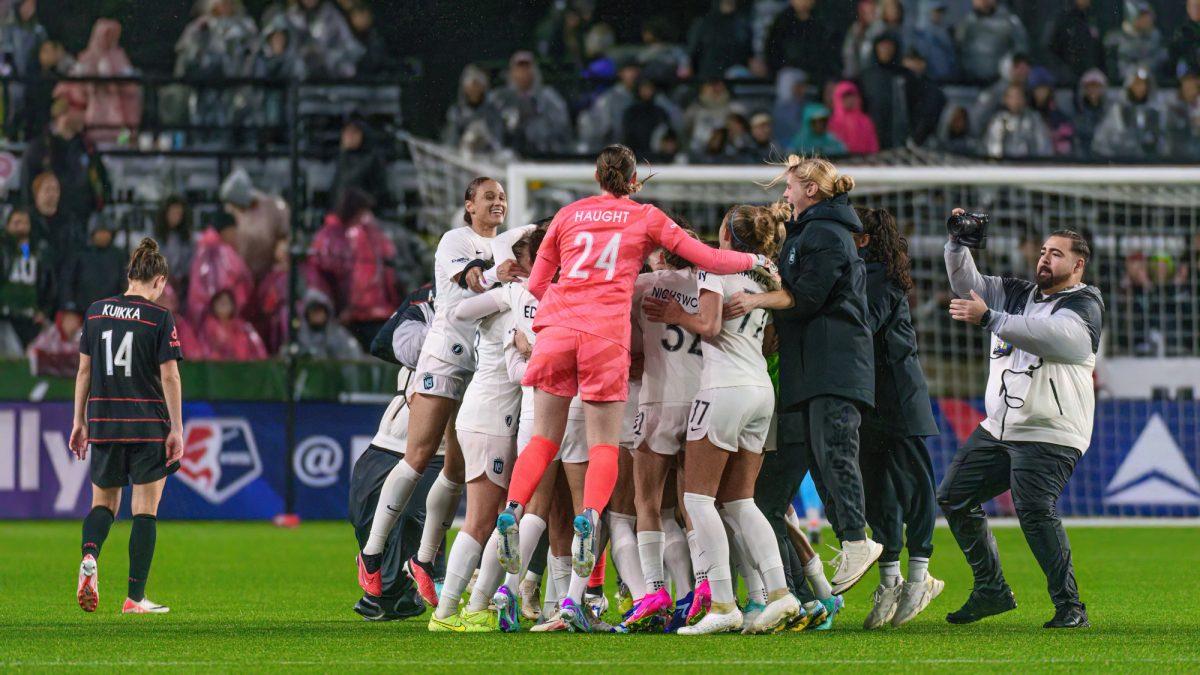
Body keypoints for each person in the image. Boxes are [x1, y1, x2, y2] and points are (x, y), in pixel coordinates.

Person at [492, 145, 766, 633]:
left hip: (556, 330)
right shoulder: (645, 216)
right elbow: (704, 256)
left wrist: (566, 300)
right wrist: (755, 256)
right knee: (602, 446)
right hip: (605, 336)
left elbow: (535, 284)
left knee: (543, 441)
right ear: (633, 179)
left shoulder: (569, 214)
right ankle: (590, 517)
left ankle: (512, 509)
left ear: (598, 175)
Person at [644, 204, 802, 635]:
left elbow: (710, 326)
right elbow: (781, 312)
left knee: (697, 500)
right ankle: (781, 594)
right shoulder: (766, 271)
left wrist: (676, 315)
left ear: (727, 234)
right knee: (740, 501)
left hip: (723, 389)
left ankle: (724, 605)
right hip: (759, 391)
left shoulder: (714, 267)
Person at [356, 177, 517, 601]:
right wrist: (499, 274)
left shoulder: (507, 247)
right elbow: (473, 280)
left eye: (501, 197)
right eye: (489, 197)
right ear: (469, 205)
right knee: (419, 456)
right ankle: (372, 554)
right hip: (445, 355)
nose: (497, 202)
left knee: (458, 469)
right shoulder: (454, 240)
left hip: (482, 367)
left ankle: (425, 560)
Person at [941, 213, 1102, 629]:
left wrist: (991, 319)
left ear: (1078, 265)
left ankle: (1071, 607)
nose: (1045, 259)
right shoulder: (1015, 293)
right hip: (1000, 426)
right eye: (1044, 251)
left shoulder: (1084, 303)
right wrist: (958, 246)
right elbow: (967, 287)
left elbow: (1060, 339)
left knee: (1033, 507)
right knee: (954, 496)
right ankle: (991, 588)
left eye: (1056, 254)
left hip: (1050, 427)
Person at [748, 156, 883, 599]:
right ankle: (798, 597)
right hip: (808, 370)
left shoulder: (825, 234)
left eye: (790, 187)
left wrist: (757, 302)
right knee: (770, 494)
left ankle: (856, 541)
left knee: (836, 452)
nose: (785, 194)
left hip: (833, 367)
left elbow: (807, 296)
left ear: (812, 189)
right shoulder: (813, 233)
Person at [425, 224, 535, 632]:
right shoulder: (517, 297)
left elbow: (457, 311)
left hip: (482, 415)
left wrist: (500, 297)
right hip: (490, 418)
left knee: (490, 519)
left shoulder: (509, 297)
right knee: (481, 521)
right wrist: (515, 331)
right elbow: (455, 313)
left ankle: (472, 606)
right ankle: (448, 611)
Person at [71, 238, 184, 614]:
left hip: (104, 422)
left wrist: (78, 420)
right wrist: (177, 428)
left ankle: (90, 557)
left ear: (130, 274)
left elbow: (84, 370)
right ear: (160, 280)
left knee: (103, 505)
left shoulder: (96, 311)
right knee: (144, 511)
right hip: (146, 425)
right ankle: (134, 598)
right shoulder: (159, 317)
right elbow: (169, 377)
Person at [851, 208, 942, 630]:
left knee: (914, 483)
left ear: (865, 240)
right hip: (868, 396)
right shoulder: (862, 274)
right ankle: (890, 579)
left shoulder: (882, 277)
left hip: (899, 395)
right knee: (876, 490)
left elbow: (863, 325)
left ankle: (920, 575)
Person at [349, 284, 445, 621]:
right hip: (405, 417)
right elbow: (383, 343)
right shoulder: (429, 296)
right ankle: (391, 590)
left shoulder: (511, 295)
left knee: (419, 514)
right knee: (363, 504)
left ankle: (425, 582)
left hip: (464, 419)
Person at [22, 98, 108, 227]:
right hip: (48, 226)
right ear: (64, 114)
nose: (84, 116)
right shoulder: (38, 148)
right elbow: (27, 188)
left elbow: (101, 181)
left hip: (80, 223)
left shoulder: (87, 148)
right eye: (80, 111)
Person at [64, 19, 141, 146]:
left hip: (118, 103)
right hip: (96, 104)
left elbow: (128, 76)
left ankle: (122, 146)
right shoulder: (88, 57)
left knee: (121, 134)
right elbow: (77, 79)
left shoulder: (118, 55)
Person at [487, 51, 572, 156]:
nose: (523, 73)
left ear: (534, 71)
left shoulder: (549, 97)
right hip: (508, 157)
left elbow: (562, 127)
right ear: (512, 72)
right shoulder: (499, 98)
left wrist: (535, 124)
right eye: (519, 69)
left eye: (526, 68)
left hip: (544, 154)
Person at [218, 168, 290, 280]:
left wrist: (282, 248)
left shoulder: (272, 207)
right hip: (240, 274)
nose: (233, 208)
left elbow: (285, 237)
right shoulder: (231, 210)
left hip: (269, 275)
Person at [186, 213, 253, 326]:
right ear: (227, 230)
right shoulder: (220, 252)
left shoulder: (204, 249)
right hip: (219, 318)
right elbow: (229, 284)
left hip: (201, 316)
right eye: (234, 231)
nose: (235, 235)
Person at [0, 208, 54, 347]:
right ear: (7, 225)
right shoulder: (4, 249)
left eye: (25, 223)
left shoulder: (36, 251)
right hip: (6, 317)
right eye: (17, 223)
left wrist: (44, 311)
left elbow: (48, 283)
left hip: (30, 318)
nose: (21, 227)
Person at [1092, 67, 1164, 159]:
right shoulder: (1117, 111)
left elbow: (1165, 143)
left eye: (1143, 84)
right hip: (1122, 165)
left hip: (1152, 167)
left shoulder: (1157, 112)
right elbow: (1100, 142)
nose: (1140, 87)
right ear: (1129, 86)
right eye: (1136, 83)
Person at [59, 222, 126, 316]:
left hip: (112, 311)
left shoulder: (118, 256)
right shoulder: (80, 253)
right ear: (92, 234)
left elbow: (124, 283)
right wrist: (69, 307)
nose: (103, 235)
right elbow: (68, 280)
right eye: (100, 232)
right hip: (82, 310)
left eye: (106, 232)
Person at [764, 0, 837, 86]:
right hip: (788, 73)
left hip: (816, 74)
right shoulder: (782, 20)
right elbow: (772, 50)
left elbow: (827, 54)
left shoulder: (821, 19)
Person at [955, 0, 1029, 84]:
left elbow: (1021, 47)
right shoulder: (966, 22)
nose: (983, 1)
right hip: (969, 80)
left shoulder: (1009, 20)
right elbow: (958, 48)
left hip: (999, 80)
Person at [859, 32, 911, 150]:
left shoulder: (905, 75)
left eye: (889, 47)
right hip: (872, 139)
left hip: (899, 139)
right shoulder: (866, 76)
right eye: (882, 46)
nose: (886, 50)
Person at [330, 116, 390, 209]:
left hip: (363, 213)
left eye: (354, 133)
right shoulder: (342, 157)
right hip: (341, 213)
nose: (349, 136)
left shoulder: (372, 158)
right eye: (346, 132)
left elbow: (379, 190)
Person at [443, 64, 503, 153]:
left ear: (483, 87)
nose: (474, 88)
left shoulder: (493, 111)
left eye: (478, 84)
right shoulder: (456, 111)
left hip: (488, 158)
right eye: (471, 84)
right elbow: (451, 142)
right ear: (465, 87)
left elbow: (498, 141)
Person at [688, 0, 753, 82]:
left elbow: (749, 54)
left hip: (734, 80)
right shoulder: (703, 24)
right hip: (709, 80)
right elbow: (693, 54)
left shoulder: (742, 25)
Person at [1042, 0, 1105, 85]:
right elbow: (1049, 49)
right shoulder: (1062, 18)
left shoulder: (1094, 17)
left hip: (1091, 84)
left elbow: (1101, 51)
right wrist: (1065, 74)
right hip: (1067, 85)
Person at [984, 83, 1052, 158]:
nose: (1016, 101)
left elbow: (1042, 143)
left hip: (1030, 165)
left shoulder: (1034, 118)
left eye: (1019, 97)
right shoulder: (998, 120)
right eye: (1012, 97)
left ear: (1024, 99)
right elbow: (993, 145)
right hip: (1005, 165)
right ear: (1005, 100)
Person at [197, 289, 268, 361]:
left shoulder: (243, 327)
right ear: (213, 305)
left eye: (227, 302)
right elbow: (203, 349)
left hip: (243, 367)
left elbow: (258, 347)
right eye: (220, 302)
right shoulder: (206, 327)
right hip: (215, 367)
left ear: (233, 306)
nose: (224, 304)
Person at [1104, 1, 1166, 82]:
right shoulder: (1114, 39)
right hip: (1120, 86)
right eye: (1142, 15)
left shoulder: (1157, 38)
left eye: (1149, 15)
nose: (1147, 19)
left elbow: (1161, 59)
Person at [296, 288, 363, 360]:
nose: (317, 314)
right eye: (313, 311)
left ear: (327, 312)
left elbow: (353, 358)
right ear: (306, 314)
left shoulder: (339, 334)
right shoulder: (299, 337)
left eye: (320, 310)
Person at [901, 49, 946, 146]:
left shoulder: (931, 89)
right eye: (909, 60)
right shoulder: (897, 83)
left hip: (923, 141)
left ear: (923, 64)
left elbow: (928, 117)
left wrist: (915, 139)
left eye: (917, 61)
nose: (912, 65)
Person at [154, 195, 194, 294]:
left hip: (184, 286)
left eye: (179, 214)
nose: (177, 217)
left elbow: (191, 262)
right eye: (173, 213)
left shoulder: (188, 238)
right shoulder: (155, 237)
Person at [827, 81, 879, 155]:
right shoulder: (834, 122)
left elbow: (873, 145)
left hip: (865, 162)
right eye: (845, 97)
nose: (850, 99)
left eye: (852, 95)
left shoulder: (865, 120)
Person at [27, 307, 82, 377]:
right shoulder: (52, 333)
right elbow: (32, 350)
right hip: (51, 375)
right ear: (61, 320)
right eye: (68, 319)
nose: (72, 323)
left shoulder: (82, 333)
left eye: (74, 319)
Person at [911, 0, 956, 82]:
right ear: (926, 12)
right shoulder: (919, 36)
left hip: (946, 80)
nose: (939, 15)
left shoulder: (944, 33)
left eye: (941, 12)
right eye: (936, 11)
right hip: (928, 82)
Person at [771, 68, 811, 151]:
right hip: (785, 150)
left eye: (803, 86)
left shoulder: (807, 105)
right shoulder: (780, 109)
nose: (802, 90)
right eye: (798, 86)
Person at [1072, 68, 1109, 158]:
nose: (1093, 90)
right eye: (1090, 86)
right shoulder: (1075, 112)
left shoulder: (1110, 112)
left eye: (1097, 86)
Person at [1168, 0, 1200, 79]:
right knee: (1182, 65)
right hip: (1190, 68)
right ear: (1188, 8)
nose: (1197, 9)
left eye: (1199, 6)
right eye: (1194, 6)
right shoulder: (1182, 30)